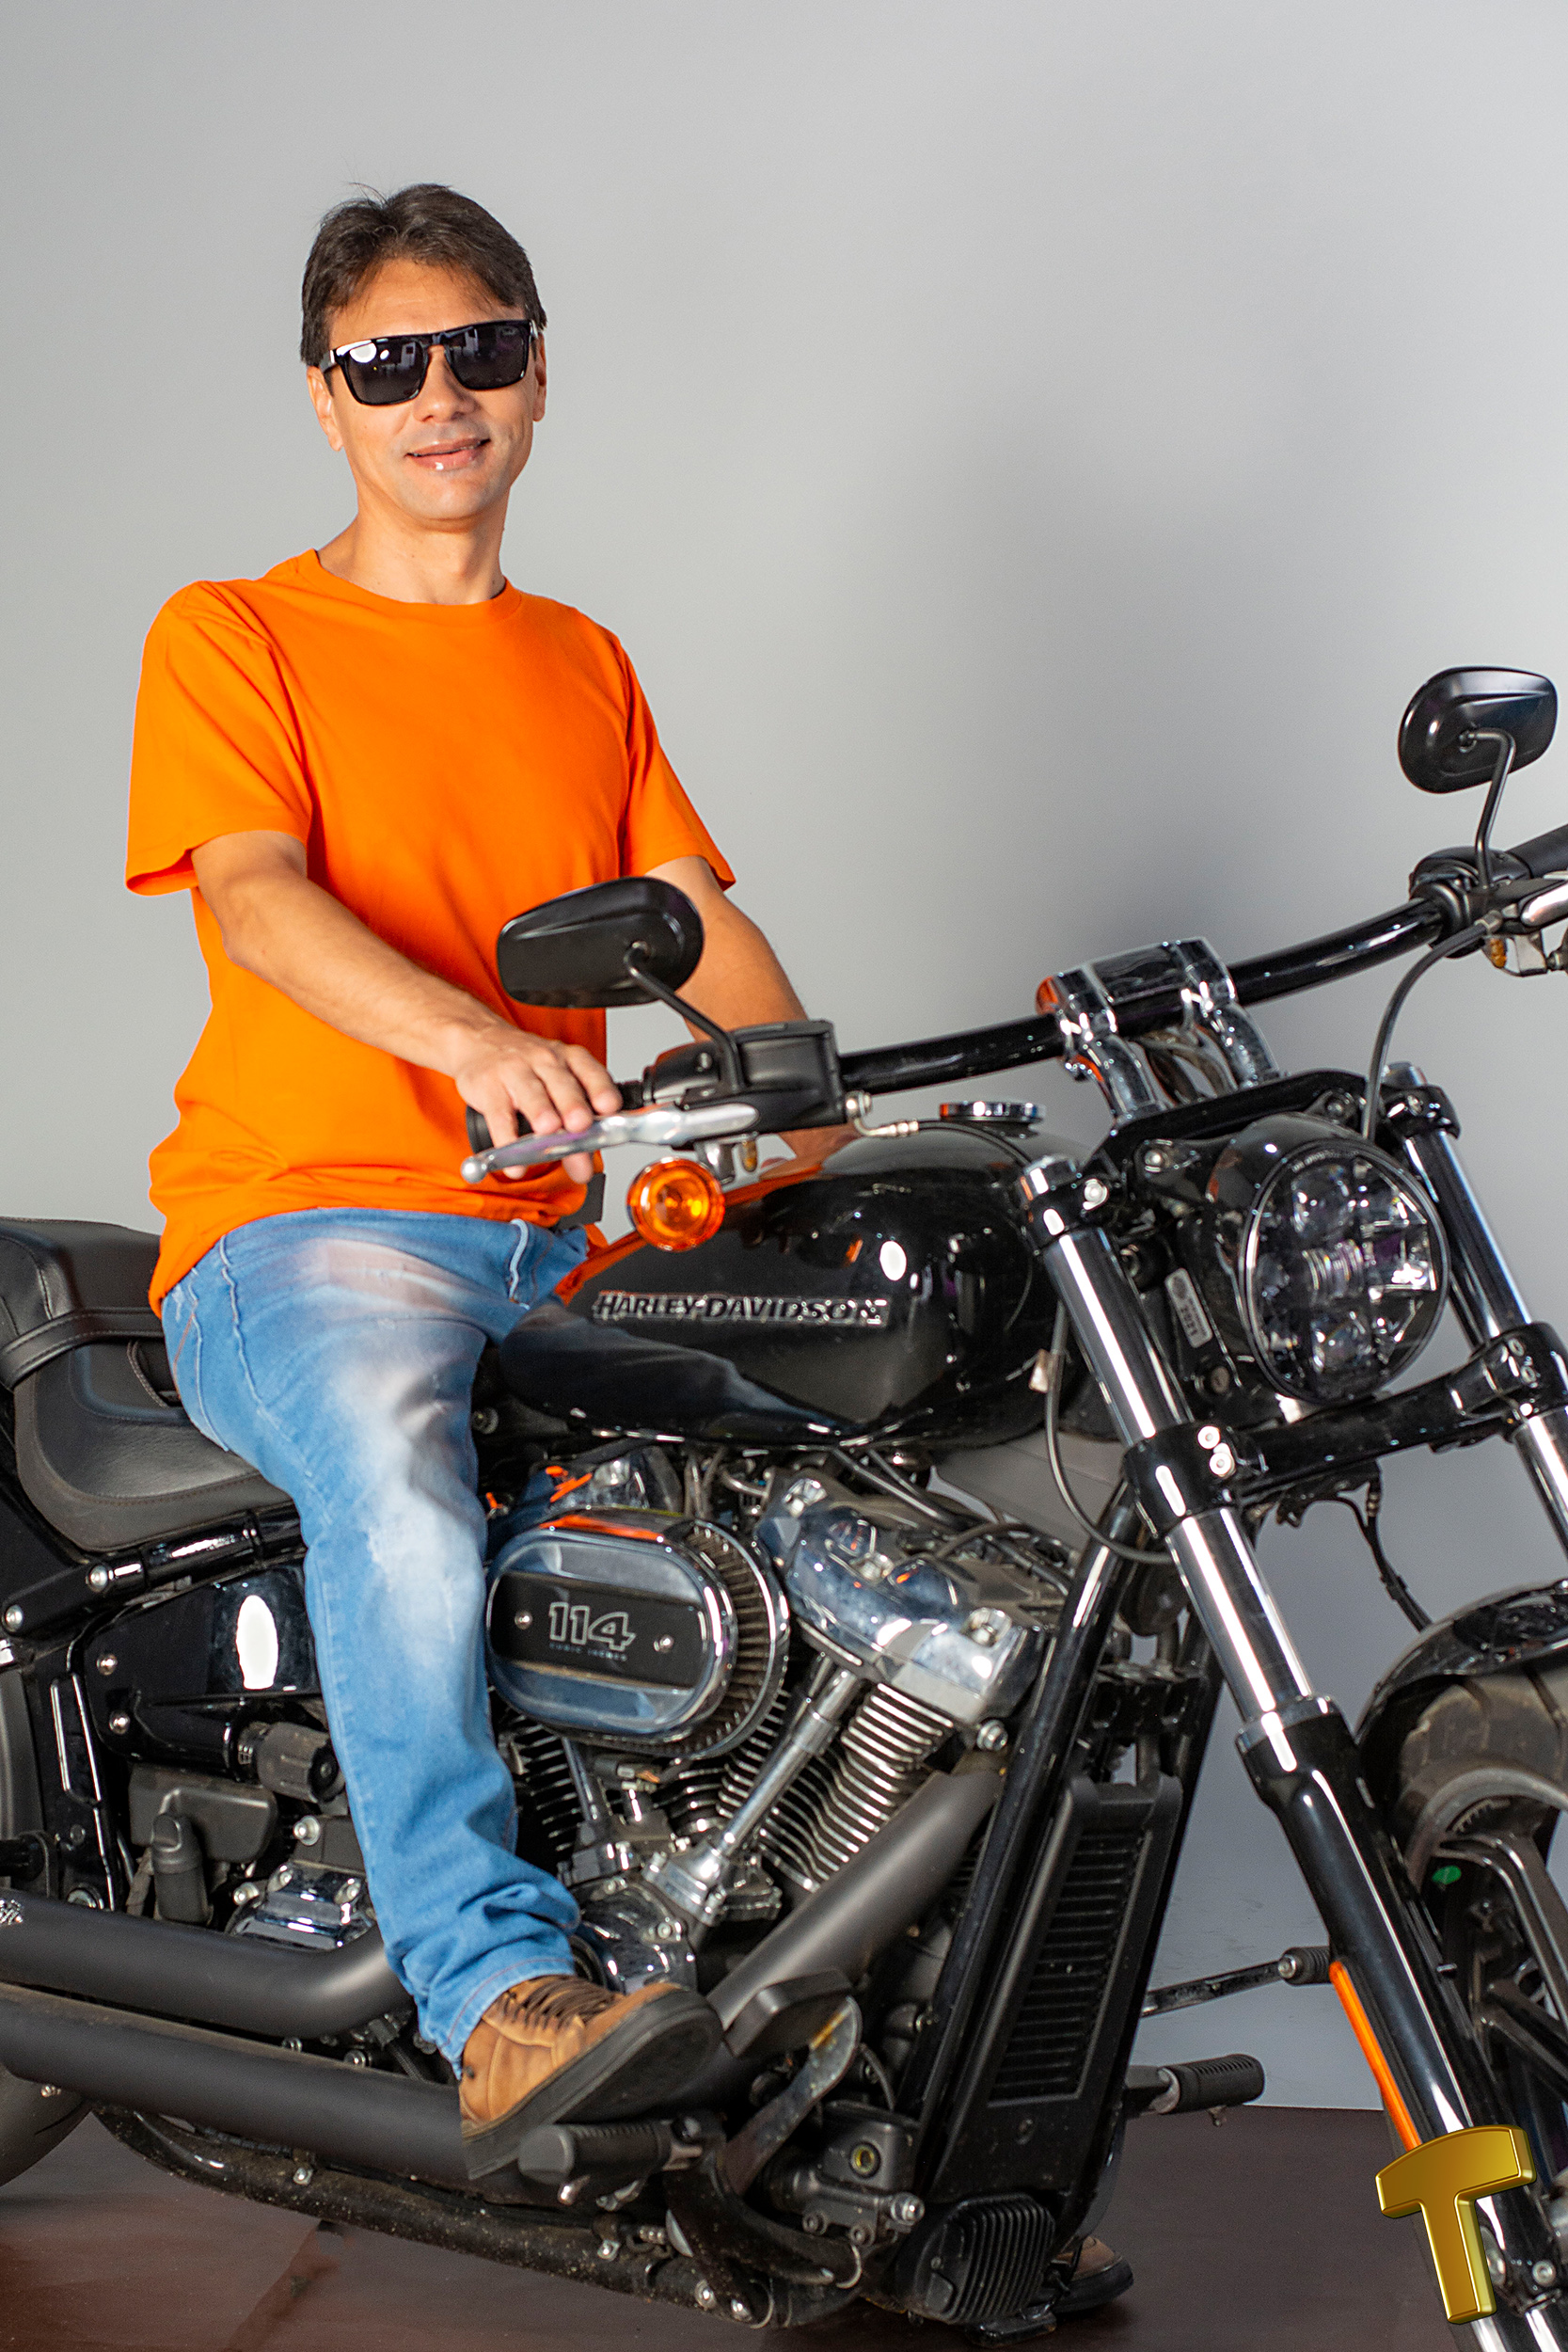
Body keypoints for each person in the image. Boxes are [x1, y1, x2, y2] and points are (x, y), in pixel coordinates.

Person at [124, 183, 815, 2173]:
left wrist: (824, 1113)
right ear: (325, 399)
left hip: (565, 1235)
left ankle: (828, 2059)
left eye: (479, 350)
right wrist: (471, 1040)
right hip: (307, 1226)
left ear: (536, 372)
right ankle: (493, 1989)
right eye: (387, 364)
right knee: (402, 1478)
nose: (440, 396)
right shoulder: (238, 631)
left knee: (847, 1481)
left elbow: (691, 925)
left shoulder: (581, 661)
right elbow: (256, 898)